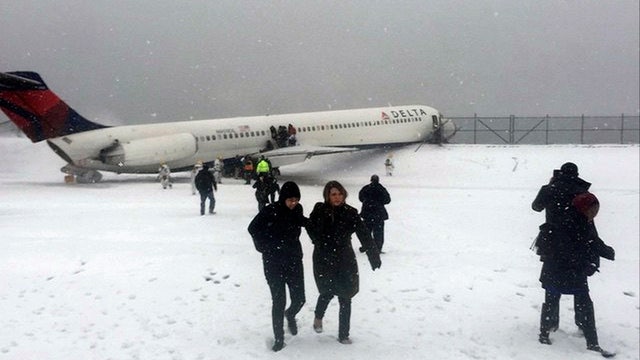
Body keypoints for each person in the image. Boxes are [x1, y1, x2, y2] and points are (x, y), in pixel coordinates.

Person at [531, 163, 616, 357]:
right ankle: (588, 335)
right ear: (576, 174)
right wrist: (601, 251)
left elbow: (536, 207)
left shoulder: (550, 189)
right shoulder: (581, 193)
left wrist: (550, 188)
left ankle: (547, 329)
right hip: (578, 250)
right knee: (581, 295)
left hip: (553, 246)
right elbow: (590, 231)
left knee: (552, 291)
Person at [306, 180, 381, 344]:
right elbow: (310, 228)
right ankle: (318, 317)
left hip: (344, 258)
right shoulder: (320, 210)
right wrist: (318, 239)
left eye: (340, 194)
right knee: (327, 291)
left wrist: (373, 254)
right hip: (324, 258)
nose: (337, 197)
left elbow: (364, 234)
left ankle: (344, 334)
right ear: (327, 195)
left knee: (346, 295)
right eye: (333, 194)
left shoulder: (350, 212)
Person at [248, 182, 308, 352]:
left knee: (300, 299)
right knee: (279, 300)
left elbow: (300, 221)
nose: (293, 203)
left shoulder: (297, 209)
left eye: (296, 200)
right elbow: (252, 228)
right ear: (283, 198)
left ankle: (290, 315)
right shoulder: (270, 210)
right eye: (290, 200)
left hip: (294, 260)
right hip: (273, 263)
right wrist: (264, 247)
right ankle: (279, 338)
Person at [358, 174, 391, 253]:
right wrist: (379, 202)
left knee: (366, 232)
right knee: (378, 233)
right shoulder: (381, 189)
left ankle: (366, 246)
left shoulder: (366, 188)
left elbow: (360, 197)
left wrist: (367, 202)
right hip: (379, 214)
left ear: (371, 180)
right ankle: (378, 248)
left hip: (367, 213)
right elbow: (387, 200)